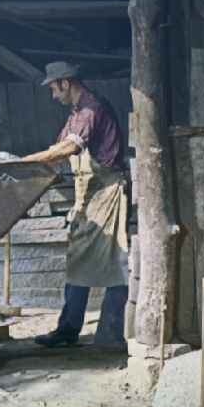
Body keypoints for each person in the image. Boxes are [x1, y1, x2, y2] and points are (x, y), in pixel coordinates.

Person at [22, 61, 129, 347]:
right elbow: (58, 149)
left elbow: (69, 148)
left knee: (114, 263)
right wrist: (37, 170)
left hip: (106, 192)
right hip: (89, 194)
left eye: (53, 88)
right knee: (78, 260)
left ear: (66, 83)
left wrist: (23, 163)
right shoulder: (76, 113)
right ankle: (68, 329)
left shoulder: (92, 108)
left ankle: (111, 332)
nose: (53, 95)